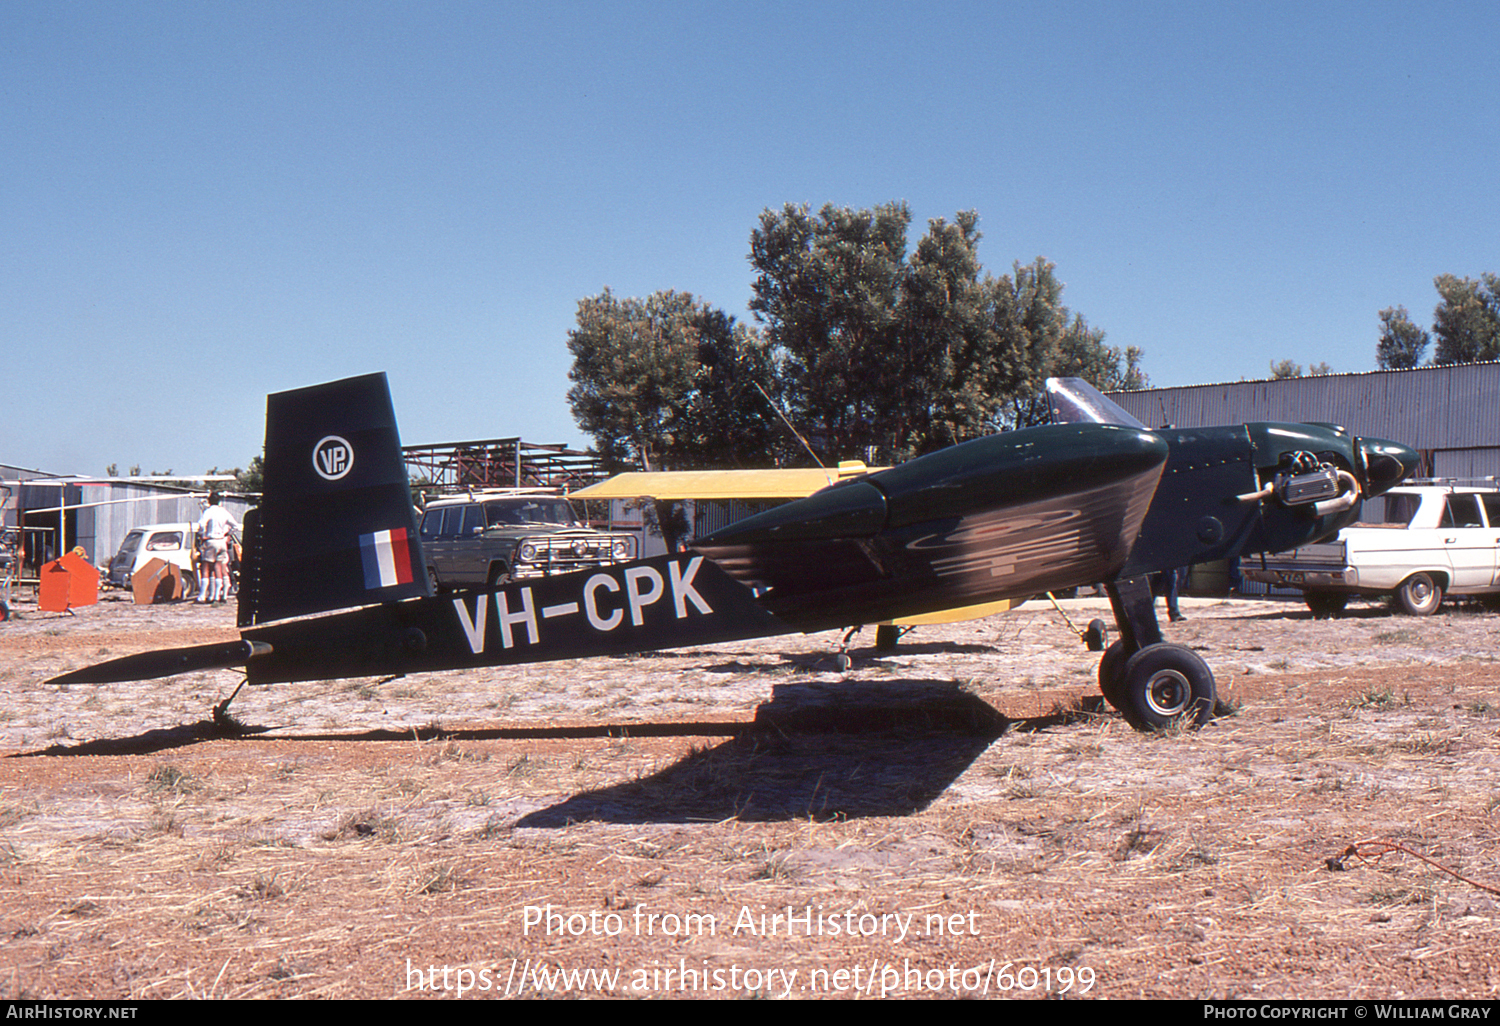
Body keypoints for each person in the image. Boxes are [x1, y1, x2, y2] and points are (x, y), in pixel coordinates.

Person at [195, 491, 241, 604]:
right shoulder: (224, 512)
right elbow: (236, 526)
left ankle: (202, 596)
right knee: (219, 567)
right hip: (222, 541)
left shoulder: (208, 512)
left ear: (209, 501)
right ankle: (217, 596)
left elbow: (201, 524)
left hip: (211, 540)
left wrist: (202, 534)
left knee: (206, 567)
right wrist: (227, 534)